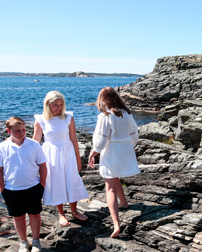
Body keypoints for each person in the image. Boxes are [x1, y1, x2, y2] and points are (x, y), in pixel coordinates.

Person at [87, 87, 140, 238]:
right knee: (115, 177)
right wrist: (128, 146)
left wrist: (93, 152)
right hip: (125, 149)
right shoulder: (127, 114)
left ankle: (116, 224)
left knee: (109, 187)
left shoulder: (105, 116)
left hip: (112, 152)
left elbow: (101, 140)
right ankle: (123, 203)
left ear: (103, 100)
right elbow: (134, 134)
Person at [0, 116, 48, 252]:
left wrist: (41, 185)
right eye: (17, 131)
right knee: (18, 217)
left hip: (33, 187)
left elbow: (43, 166)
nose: (22, 133)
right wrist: (2, 190)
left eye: (23, 129)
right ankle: (23, 242)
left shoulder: (34, 145)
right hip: (11, 189)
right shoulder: (2, 147)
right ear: (8, 131)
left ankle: (36, 241)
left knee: (35, 215)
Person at [33, 91, 90, 226]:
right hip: (50, 155)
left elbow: (74, 139)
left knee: (72, 180)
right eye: (55, 105)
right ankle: (61, 213)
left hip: (67, 153)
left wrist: (78, 158)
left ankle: (74, 211)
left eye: (61, 105)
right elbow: (35, 143)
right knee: (56, 182)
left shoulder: (68, 117)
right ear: (48, 105)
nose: (59, 108)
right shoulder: (41, 120)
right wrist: (34, 163)